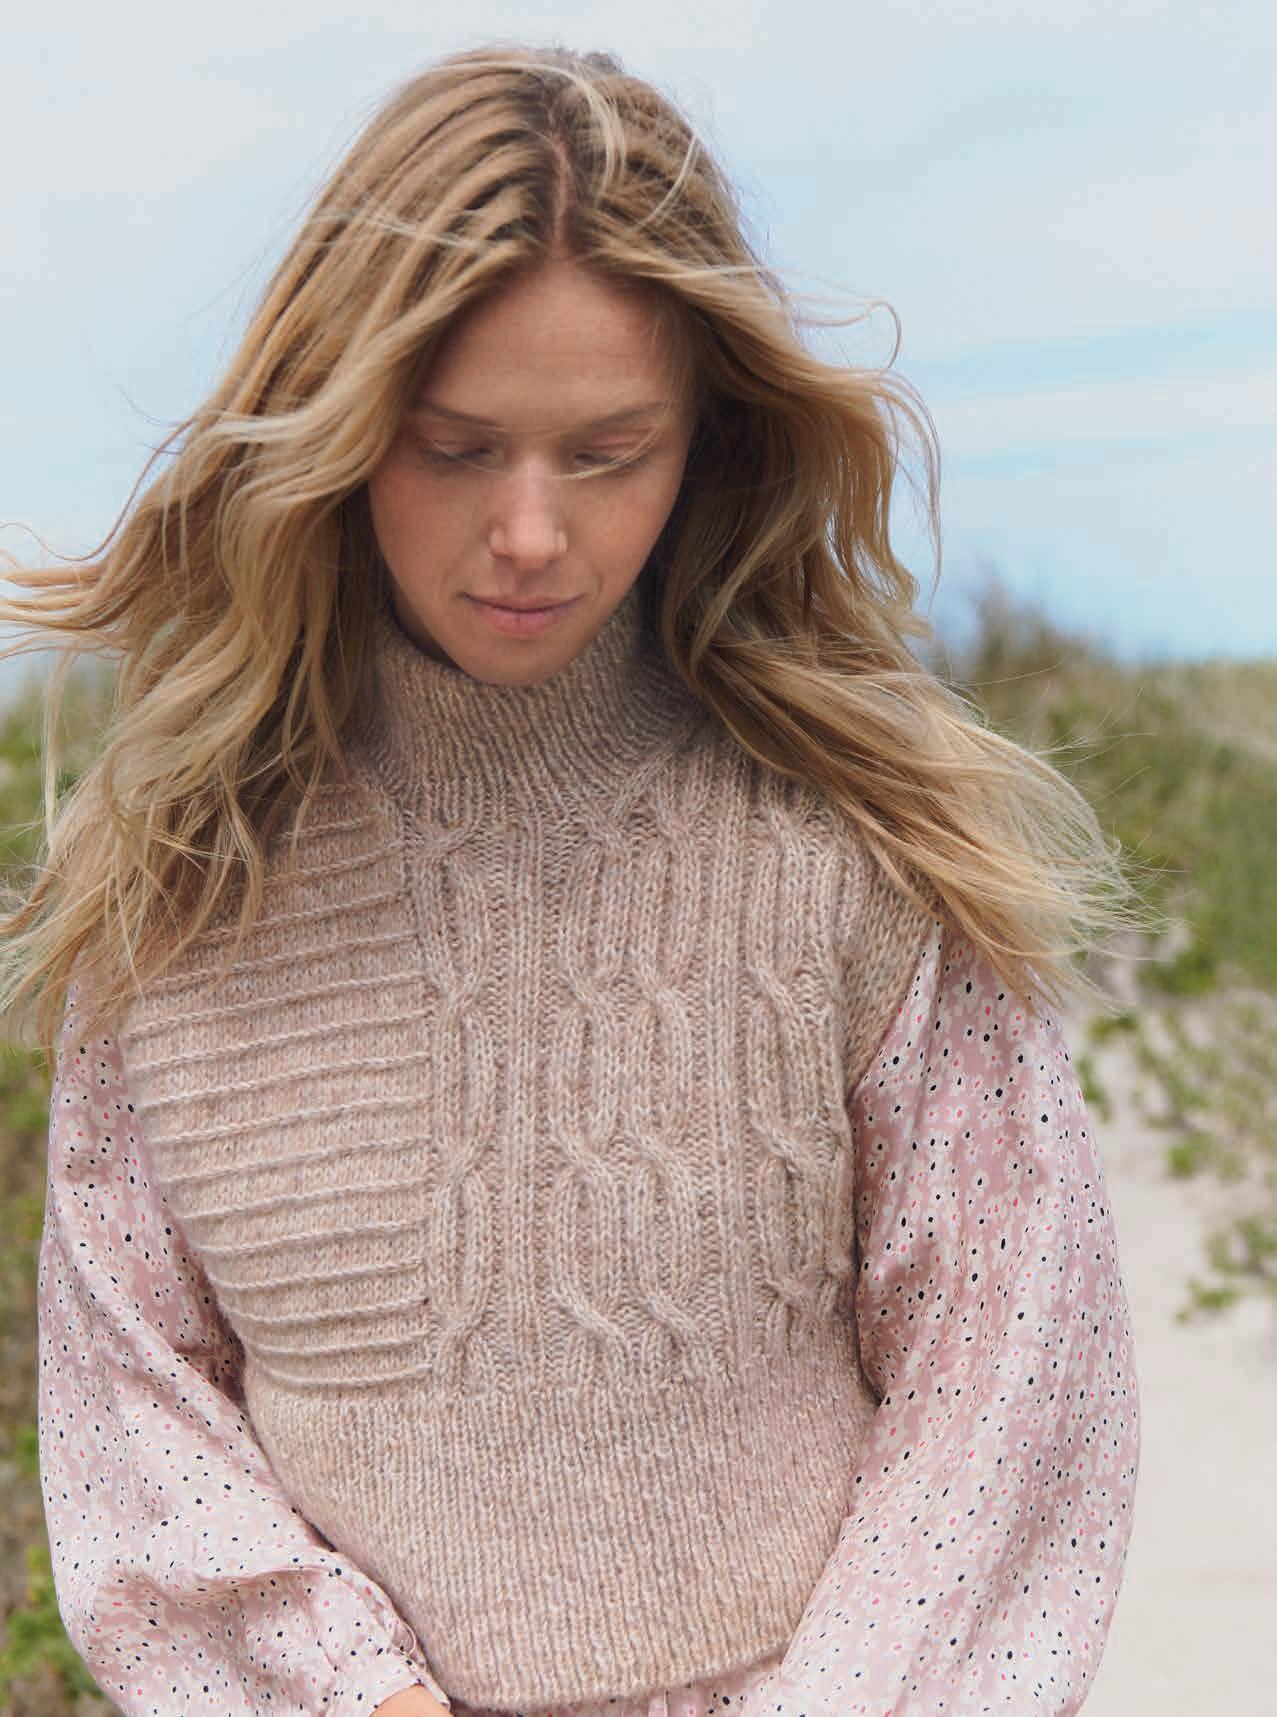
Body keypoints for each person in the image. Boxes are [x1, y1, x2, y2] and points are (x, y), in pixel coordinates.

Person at [1, 43, 1140, 1717]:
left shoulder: (849, 846)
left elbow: (1013, 1379)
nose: (530, 533)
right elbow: (134, 1418)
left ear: (705, 444)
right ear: (340, 434)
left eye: (606, 451)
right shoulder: (180, 893)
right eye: (454, 447)